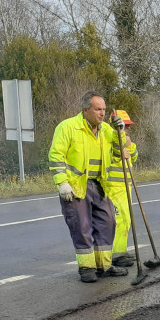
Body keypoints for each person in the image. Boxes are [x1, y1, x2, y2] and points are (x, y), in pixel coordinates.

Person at [49, 92, 132, 283]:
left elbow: (119, 152)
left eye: (103, 109)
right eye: (97, 109)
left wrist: (119, 132)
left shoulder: (105, 130)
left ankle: (103, 265)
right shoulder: (68, 127)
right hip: (76, 186)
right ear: (86, 109)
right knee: (82, 226)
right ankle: (87, 268)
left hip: (99, 185)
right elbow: (56, 156)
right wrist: (62, 183)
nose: (102, 113)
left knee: (107, 222)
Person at [102, 110, 139, 267]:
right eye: (125, 126)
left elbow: (134, 157)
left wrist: (129, 148)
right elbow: (105, 157)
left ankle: (121, 251)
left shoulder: (125, 139)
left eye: (128, 126)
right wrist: (119, 153)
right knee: (119, 220)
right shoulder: (109, 137)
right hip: (113, 187)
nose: (127, 129)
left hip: (125, 187)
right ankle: (116, 254)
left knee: (126, 220)